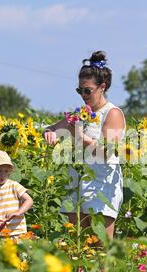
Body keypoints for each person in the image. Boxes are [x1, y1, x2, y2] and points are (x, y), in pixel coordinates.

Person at [43, 51, 126, 240]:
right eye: (79, 90)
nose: (83, 95)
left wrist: (78, 136)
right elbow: (52, 128)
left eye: (87, 90)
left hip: (102, 185)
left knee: (100, 246)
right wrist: (49, 133)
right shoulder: (79, 113)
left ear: (102, 87)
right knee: (75, 245)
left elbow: (107, 152)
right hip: (77, 183)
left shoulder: (112, 114)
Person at [0, 150, 33, 238]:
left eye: (6, 171)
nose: (3, 175)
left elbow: (29, 200)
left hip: (18, 232)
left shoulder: (14, 185)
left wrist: (18, 212)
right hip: (1, 234)